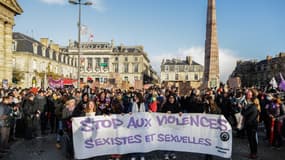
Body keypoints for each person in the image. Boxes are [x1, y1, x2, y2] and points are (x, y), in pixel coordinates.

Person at [161, 94, 181, 160]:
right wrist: (165, 113)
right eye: (170, 98)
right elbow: (160, 113)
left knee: (173, 139)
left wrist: (180, 113)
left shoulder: (177, 105)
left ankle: (172, 152)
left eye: (172, 98)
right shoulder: (165, 105)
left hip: (174, 126)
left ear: (174, 99)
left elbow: (179, 112)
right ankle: (166, 153)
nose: (171, 99)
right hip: (167, 126)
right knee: (167, 139)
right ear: (168, 99)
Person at [242, 89, 259, 159]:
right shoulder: (253, 107)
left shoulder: (252, 107)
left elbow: (244, 113)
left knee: (252, 141)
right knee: (253, 140)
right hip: (252, 125)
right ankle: (253, 153)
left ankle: (253, 154)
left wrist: (243, 108)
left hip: (251, 126)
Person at [130, 92, 146, 160]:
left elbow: (145, 112)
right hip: (134, 124)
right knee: (134, 140)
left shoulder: (143, 104)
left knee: (141, 140)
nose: (134, 97)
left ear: (139, 97)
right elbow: (132, 111)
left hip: (141, 124)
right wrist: (134, 103)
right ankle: (134, 155)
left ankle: (142, 154)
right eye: (134, 97)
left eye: (136, 96)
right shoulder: (133, 103)